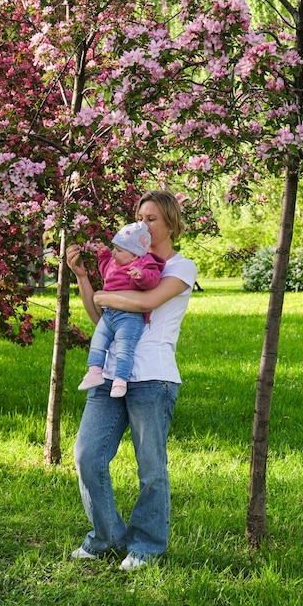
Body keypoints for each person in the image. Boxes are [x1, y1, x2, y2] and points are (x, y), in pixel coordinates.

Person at [66, 189, 197, 571]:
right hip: (109, 374)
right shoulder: (122, 264)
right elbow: (99, 317)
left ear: (171, 223)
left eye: (152, 218)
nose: (144, 224)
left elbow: (146, 303)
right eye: (140, 217)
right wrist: (84, 277)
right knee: (88, 456)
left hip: (153, 378)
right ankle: (106, 538)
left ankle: (147, 545)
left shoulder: (180, 267)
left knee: (150, 468)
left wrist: (110, 296)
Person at [78, 221, 166, 398]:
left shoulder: (143, 264)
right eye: (114, 248)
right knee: (97, 343)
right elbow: (105, 271)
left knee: (124, 349)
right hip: (109, 314)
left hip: (130, 317)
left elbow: (152, 279)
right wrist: (103, 255)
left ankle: (121, 380)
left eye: (118, 250)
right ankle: (94, 371)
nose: (114, 253)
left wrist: (140, 276)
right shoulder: (115, 263)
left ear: (134, 255)